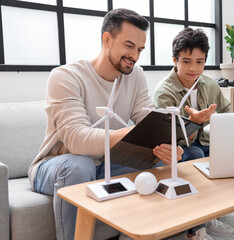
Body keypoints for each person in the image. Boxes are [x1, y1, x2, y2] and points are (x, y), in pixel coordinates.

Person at [28, 8, 182, 240]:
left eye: (140, 49)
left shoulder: (135, 75)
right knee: (79, 166)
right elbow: (76, 139)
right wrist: (129, 133)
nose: (135, 56)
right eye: (129, 46)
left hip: (105, 163)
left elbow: (146, 117)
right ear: (107, 39)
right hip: (55, 165)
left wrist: (169, 143)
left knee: (151, 172)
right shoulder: (66, 76)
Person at [153, 28, 233, 238]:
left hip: (208, 141)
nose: (193, 68)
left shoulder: (209, 83)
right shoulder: (164, 92)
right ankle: (196, 229)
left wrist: (217, 129)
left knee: (228, 153)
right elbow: (169, 139)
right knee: (197, 156)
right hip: (177, 149)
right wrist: (193, 123)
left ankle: (210, 212)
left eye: (199, 61)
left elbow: (226, 111)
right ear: (175, 60)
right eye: (186, 61)